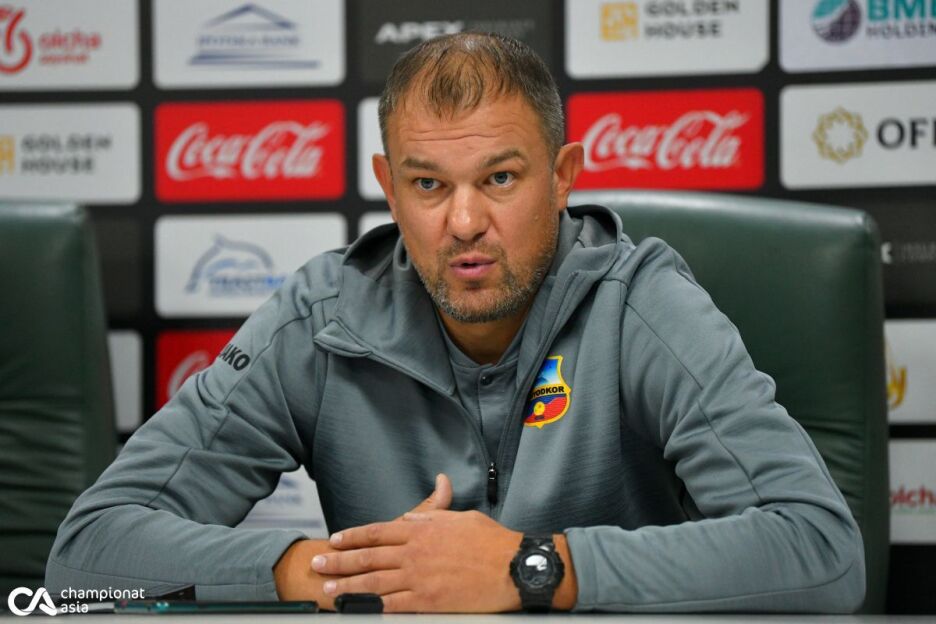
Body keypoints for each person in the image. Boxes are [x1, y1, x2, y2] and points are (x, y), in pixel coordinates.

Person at [46, 33, 865, 613]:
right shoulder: (321, 318)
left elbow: (822, 551)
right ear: (389, 187)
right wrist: (325, 572)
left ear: (562, 177)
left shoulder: (641, 302)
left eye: (500, 178)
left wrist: (532, 568)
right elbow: (85, 558)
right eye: (429, 185)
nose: (465, 222)